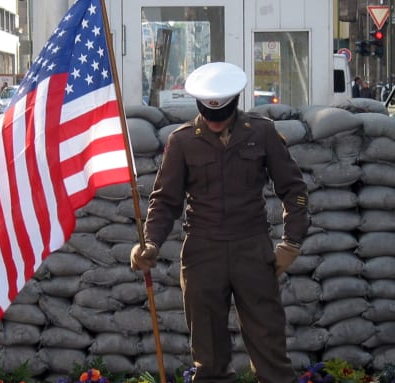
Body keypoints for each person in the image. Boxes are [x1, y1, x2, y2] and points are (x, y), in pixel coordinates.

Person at [130, 62, 309, 383]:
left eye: (221, 116)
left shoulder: (262, 133)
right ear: (199, 106)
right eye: (208, 115)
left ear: (234, 105)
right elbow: (164, 201)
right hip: (202, 253)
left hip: (252, 249)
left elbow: (293, 190)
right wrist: (151, 242)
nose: (215, 123)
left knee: (270, 348)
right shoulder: (183, 141)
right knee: (208, 356)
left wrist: (291, 243)